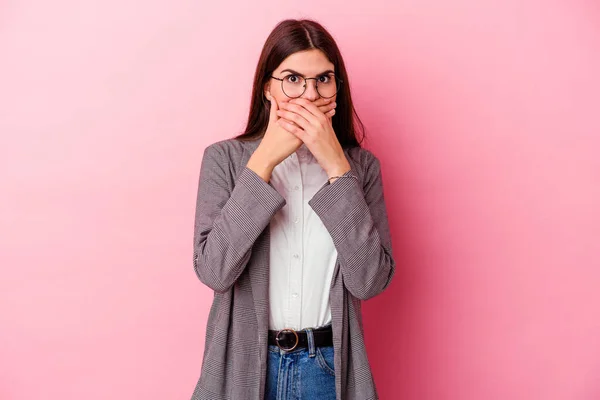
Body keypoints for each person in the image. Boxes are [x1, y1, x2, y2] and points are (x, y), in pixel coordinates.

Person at [191, 18, 396, 400]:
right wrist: (264, 161)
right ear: (268, 86)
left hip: (328, 370)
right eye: (292, 78)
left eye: (323, 78)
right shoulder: (226, 160)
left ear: (337, 87)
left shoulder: (361, 169)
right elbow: (215, 270)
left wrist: (337, 166)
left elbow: (370, 281)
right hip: (246, 369)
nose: (309, 93)